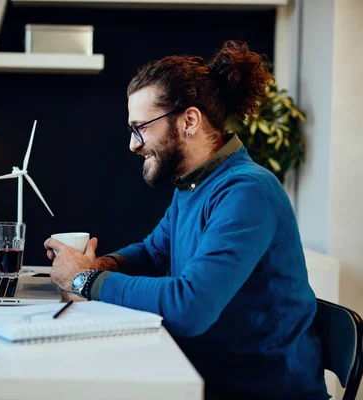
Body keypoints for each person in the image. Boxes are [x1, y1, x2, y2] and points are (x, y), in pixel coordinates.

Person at [44, 41, 329, 400]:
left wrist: (85, 279)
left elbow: (190, 306)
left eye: (141, 127)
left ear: (189, 121)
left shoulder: (247, 192)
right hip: (204, 377)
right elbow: (152, 252)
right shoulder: (195, 186)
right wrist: (99, 263)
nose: (134, 144)